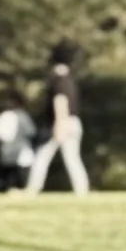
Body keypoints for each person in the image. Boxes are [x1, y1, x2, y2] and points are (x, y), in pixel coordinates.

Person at [25, 44, 90, 196]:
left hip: (63, 121)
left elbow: (60, 101)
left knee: (42, 155)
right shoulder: (70, 80)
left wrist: (59, 125)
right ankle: (82, 190)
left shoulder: (58, 80)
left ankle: (32, 188)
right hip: (73, 121)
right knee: (72, 158)